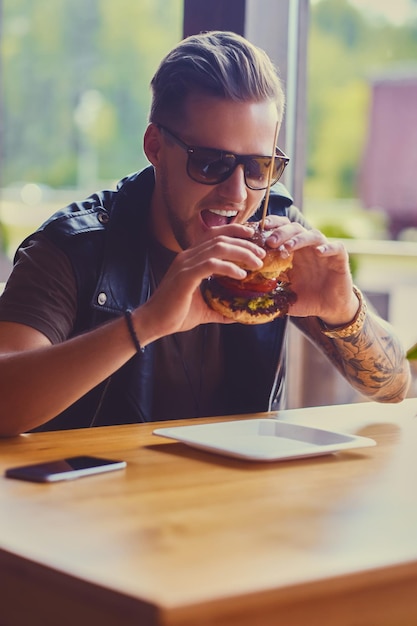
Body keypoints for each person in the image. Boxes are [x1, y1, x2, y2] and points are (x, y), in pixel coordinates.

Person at [0, 31, 411, 436]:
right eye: (212, 162)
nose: (236, 194)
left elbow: (394, 387)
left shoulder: (277, 232)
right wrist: (144, 323)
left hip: (230, 497)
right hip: (91, 496)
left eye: (258, 168)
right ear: (156, 147)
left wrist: (343, 311)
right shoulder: (74, 246)